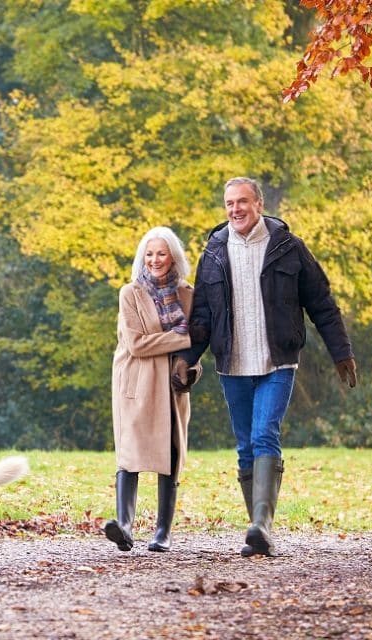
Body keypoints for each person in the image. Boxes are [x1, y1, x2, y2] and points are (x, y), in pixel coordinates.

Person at [172, 177, 356, 558]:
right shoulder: (215, 252)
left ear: (259, 204)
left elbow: (322, 302)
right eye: (229, 204)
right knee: (244, 446)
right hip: (232, 363)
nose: (235, 210)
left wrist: (341, 353)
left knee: (264, 434)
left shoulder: (288, 248)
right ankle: (257, 530)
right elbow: (203, 315)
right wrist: (188, 359)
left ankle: (263, 526)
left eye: (242, 202)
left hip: (278, 360)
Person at [105, 226, 203, 553]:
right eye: (149, 254)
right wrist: (186, 337)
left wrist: (191, 368)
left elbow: (197, 350)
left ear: (173, 256)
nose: (155, 260)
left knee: (171, 453)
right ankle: (124, 526)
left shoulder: (189, 295)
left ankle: (163, 531)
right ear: (141, 258)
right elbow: (137, 344)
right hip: (136, 380)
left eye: (161, 253)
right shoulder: (129, 293)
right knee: (130, 453)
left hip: (171, 386)